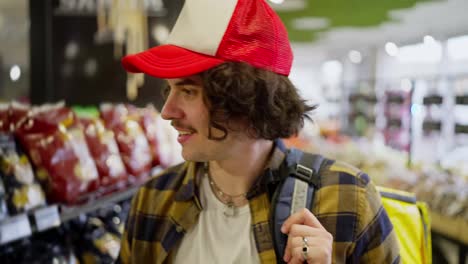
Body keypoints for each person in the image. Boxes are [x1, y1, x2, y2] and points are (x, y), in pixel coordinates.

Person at [117, 0, 400, 263]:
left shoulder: (347, 197)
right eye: (170, 89)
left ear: (248, 98)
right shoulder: (154, 199)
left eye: (188, 91)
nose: (167, 111)